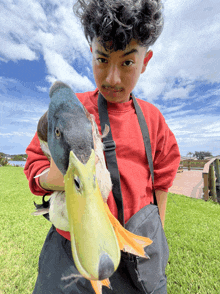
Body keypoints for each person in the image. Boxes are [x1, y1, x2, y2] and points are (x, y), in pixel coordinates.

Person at [24, 0, 180, 293]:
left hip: (134, 252)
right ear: (91, 53)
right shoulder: (71, 111)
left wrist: (156, 231)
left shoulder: (153, 120)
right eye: (102, 59)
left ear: (145, 62)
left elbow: (163, 180)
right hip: (72, 251)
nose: (112, 78)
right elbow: (34, 165)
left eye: (127, 63)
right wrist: (52, 178)